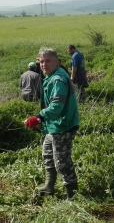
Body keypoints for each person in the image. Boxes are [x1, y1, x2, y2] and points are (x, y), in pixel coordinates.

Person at [24, 47, 79, 200]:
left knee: (62, 161)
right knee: (48, 153)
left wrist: (39, 117)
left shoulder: (57, 80)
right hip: (54, 124)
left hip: (62, 126)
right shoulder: (52, 76)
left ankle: (72, 196)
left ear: (57, 62)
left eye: (48, 61)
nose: (44, 64)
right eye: (41, 61)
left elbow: (56, 106)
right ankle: (49, 186)